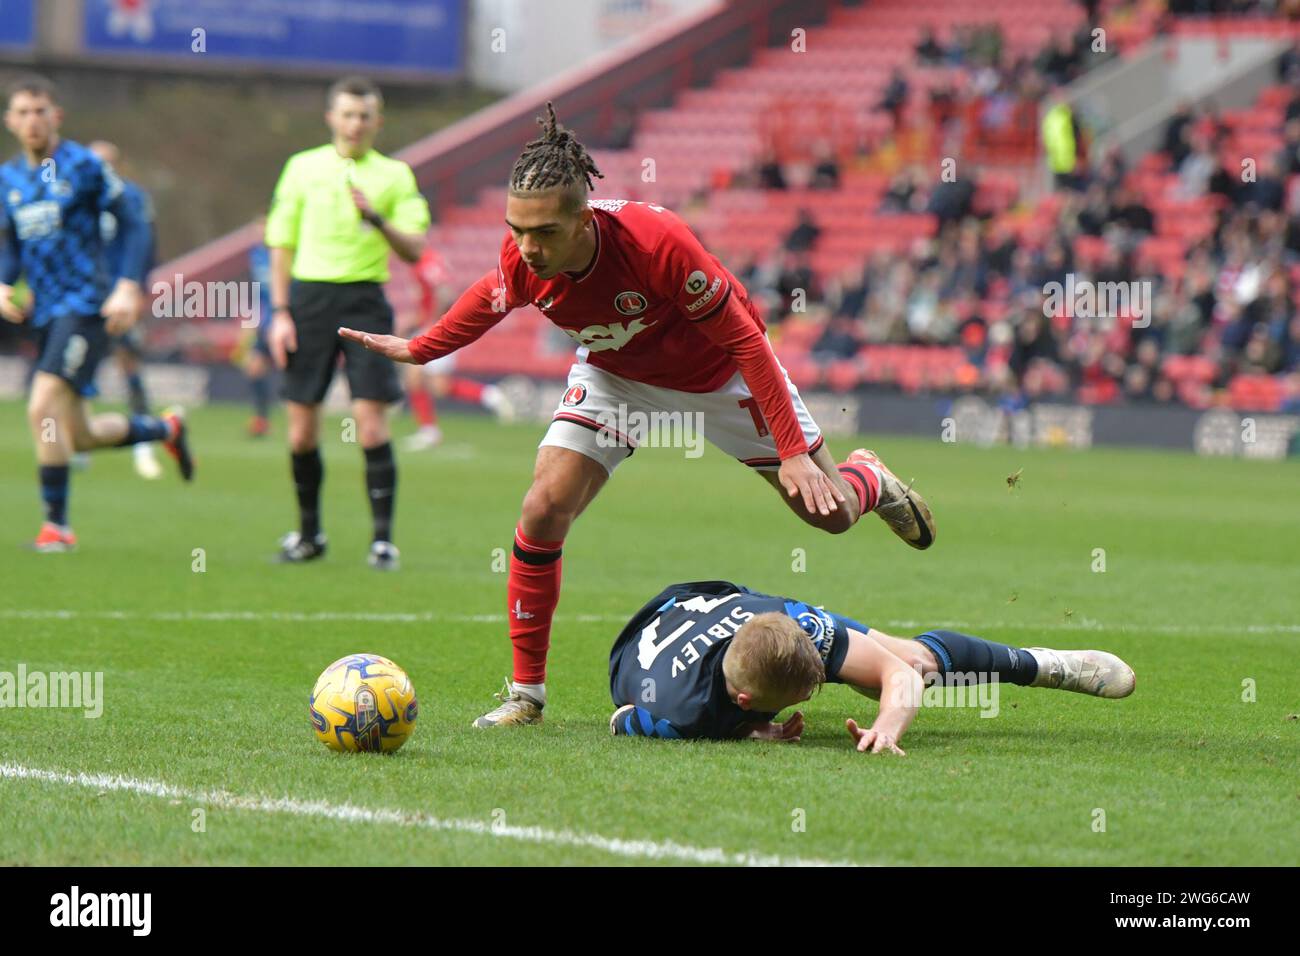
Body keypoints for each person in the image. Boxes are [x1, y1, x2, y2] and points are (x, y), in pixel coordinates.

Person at [341, 103, 938, 728]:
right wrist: (420, 348)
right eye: (516, 229)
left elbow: (748, 346)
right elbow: (491, 297)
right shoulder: (525, 256)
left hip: (719, 375)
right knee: (543, 508)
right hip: (616, 373)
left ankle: (868, 478)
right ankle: (526, 694)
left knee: (831, 515)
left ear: (583, 218)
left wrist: (792, 450)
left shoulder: (657, 244)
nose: (526, 247)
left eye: (543, 232)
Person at [0, 75, 193, 552]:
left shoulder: (82, 165)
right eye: (22, 112)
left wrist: (129, 286)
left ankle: (56, 528)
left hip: (87, 305)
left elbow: (134, 218)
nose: (31, 120)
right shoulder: (8, 180)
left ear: (56, 116)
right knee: (78, 435)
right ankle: (165, 428)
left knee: (41, 407)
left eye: (40, 111)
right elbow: (10, 242)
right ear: (9, 121)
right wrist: (3, 282)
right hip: (45, 312)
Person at [608, 579, 1136, 752]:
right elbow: (621, 717)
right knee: (904, 663)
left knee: (911, 663)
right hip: (641, 645)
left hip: (710, 603)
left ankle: (1042, 664)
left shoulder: (791, 626)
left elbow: (900, 678)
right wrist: (745, 732)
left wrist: (886, 730)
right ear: (744, 701)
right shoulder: (680, 716)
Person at [264, 75, 430, 570]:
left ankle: (382, 541)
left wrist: (377, 218)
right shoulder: (301, 168)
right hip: (308, 300)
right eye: (347, 114)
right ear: (331, 117)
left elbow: (415, 248)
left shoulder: (395, 175)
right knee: (299, 432)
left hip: (364, 302)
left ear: (378, 122)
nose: (355, 124)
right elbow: (280, 243)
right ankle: (309, 534)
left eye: (365, 116)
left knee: (372, 427)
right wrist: (278, 314)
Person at [88, 139, 162, 478]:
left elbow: (146, 245)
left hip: (120, 295)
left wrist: (138, 291)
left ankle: (144, 447)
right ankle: (78, 449)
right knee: (73, 373)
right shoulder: (74, 197)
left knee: (129, 366)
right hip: (83, 296)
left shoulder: (132, 198)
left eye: (107, 163)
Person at [400, 246, 512, 451]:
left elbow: (444, 293)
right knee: (433, 385)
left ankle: (430, 431)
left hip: (438, 327)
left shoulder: (426, 262)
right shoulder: (423, 262)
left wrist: (432, 323)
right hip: (435, 324)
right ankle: (489, 395)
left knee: (421, 378)